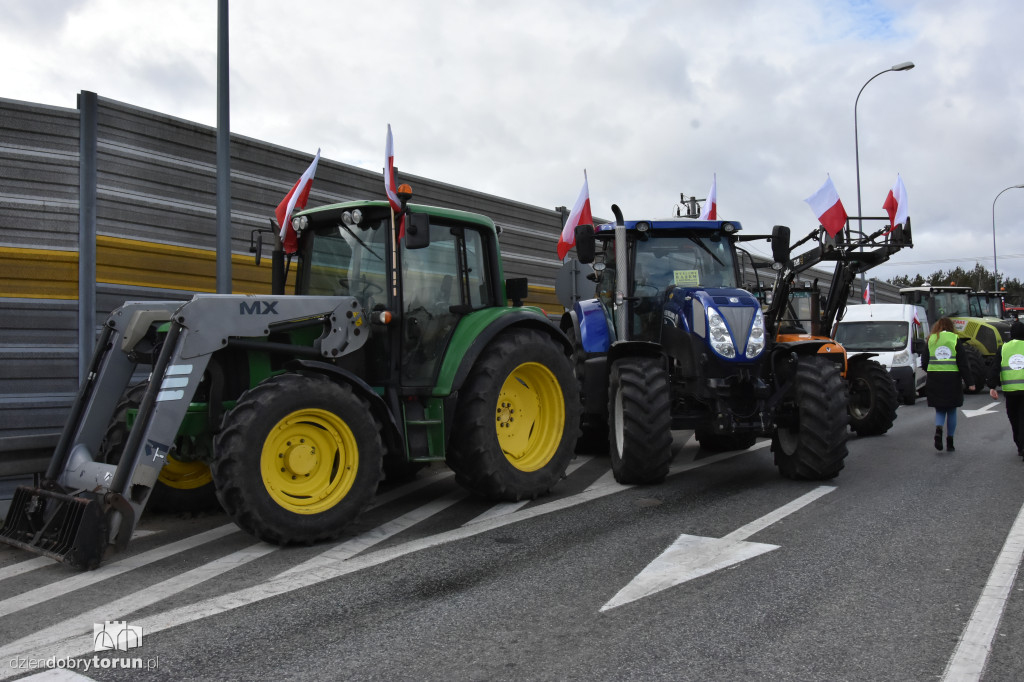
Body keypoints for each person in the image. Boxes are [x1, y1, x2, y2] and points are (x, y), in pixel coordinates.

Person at [921, 317, 975, 451]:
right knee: (951, 410)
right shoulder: (954, 339)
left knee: (940, 409)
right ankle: (950, 441)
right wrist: (970, 382)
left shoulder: (931, 339)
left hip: (934, 379)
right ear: (951, 327)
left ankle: (938, 430)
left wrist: (933, 369)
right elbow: (963, 363)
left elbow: (924, 362)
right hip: (952, 379)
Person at [988, 320, 1024, 458]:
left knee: (1014, 418)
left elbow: (995, 367)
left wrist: (992, 386)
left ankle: (1020, 444)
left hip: (1010, 391)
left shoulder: (1004, 348)